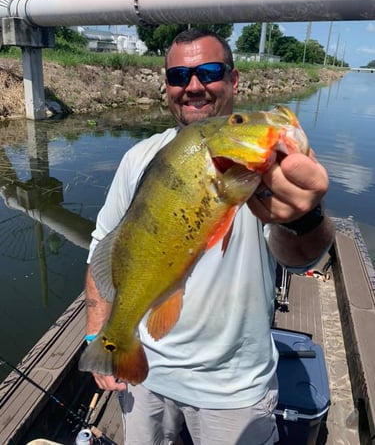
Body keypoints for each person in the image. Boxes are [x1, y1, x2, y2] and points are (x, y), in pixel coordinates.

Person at [84, 28, 335, 444]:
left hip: (233, 389)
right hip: (147, 376)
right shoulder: (137, 159)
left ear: (234, 80)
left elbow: (302, 258)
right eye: (179, 76)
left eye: (209, 72)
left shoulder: (271, 170)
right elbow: (103, 250)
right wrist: (100, 333)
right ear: (166, 87)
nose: (193, 86)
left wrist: (304, 218)